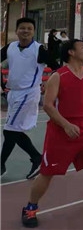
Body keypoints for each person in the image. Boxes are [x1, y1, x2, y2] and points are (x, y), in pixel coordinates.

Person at [20, 39, 83, 228]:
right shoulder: (58, 76)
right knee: (47, 172)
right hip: (60, 131)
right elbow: (48, 106)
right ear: (71, 52)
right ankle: (30, 208)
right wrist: (65, 125)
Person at [1, 18, 58, 179]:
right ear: (17, 30)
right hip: (13, 93)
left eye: (29, 28)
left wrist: (49, 83)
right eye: (22, 28)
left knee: (10, 130)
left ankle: (1, 164)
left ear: (33, 31)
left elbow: (56, 67)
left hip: (28, 93)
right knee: (13, 131)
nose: (25, 31)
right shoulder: (11, 47)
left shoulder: (38, 49)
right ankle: (37, 158)